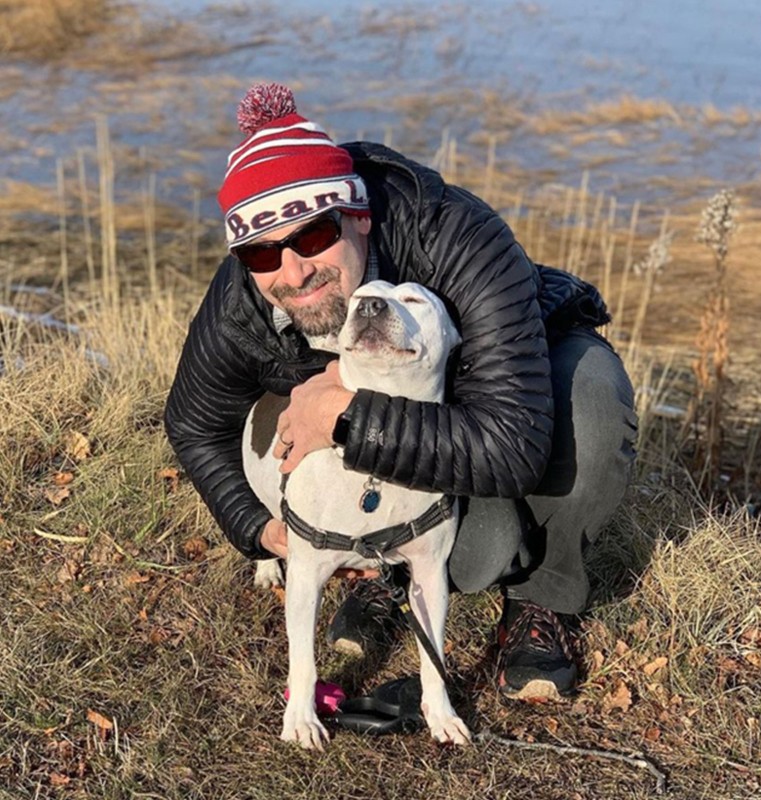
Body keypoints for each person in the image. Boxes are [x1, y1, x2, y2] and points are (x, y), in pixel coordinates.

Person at [165, 83, 637, 701]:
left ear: (357, 217)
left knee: (590, 406)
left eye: (312, 237)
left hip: (515, 379)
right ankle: (387, 569)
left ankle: (544, 597)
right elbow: (193, 424)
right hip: (421, 443)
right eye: (259, 251)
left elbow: (513, 443)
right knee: (471, 547)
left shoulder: (455, 235)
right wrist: (260, 529)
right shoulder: (244, 298)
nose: (293, 271)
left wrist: (345, 410)